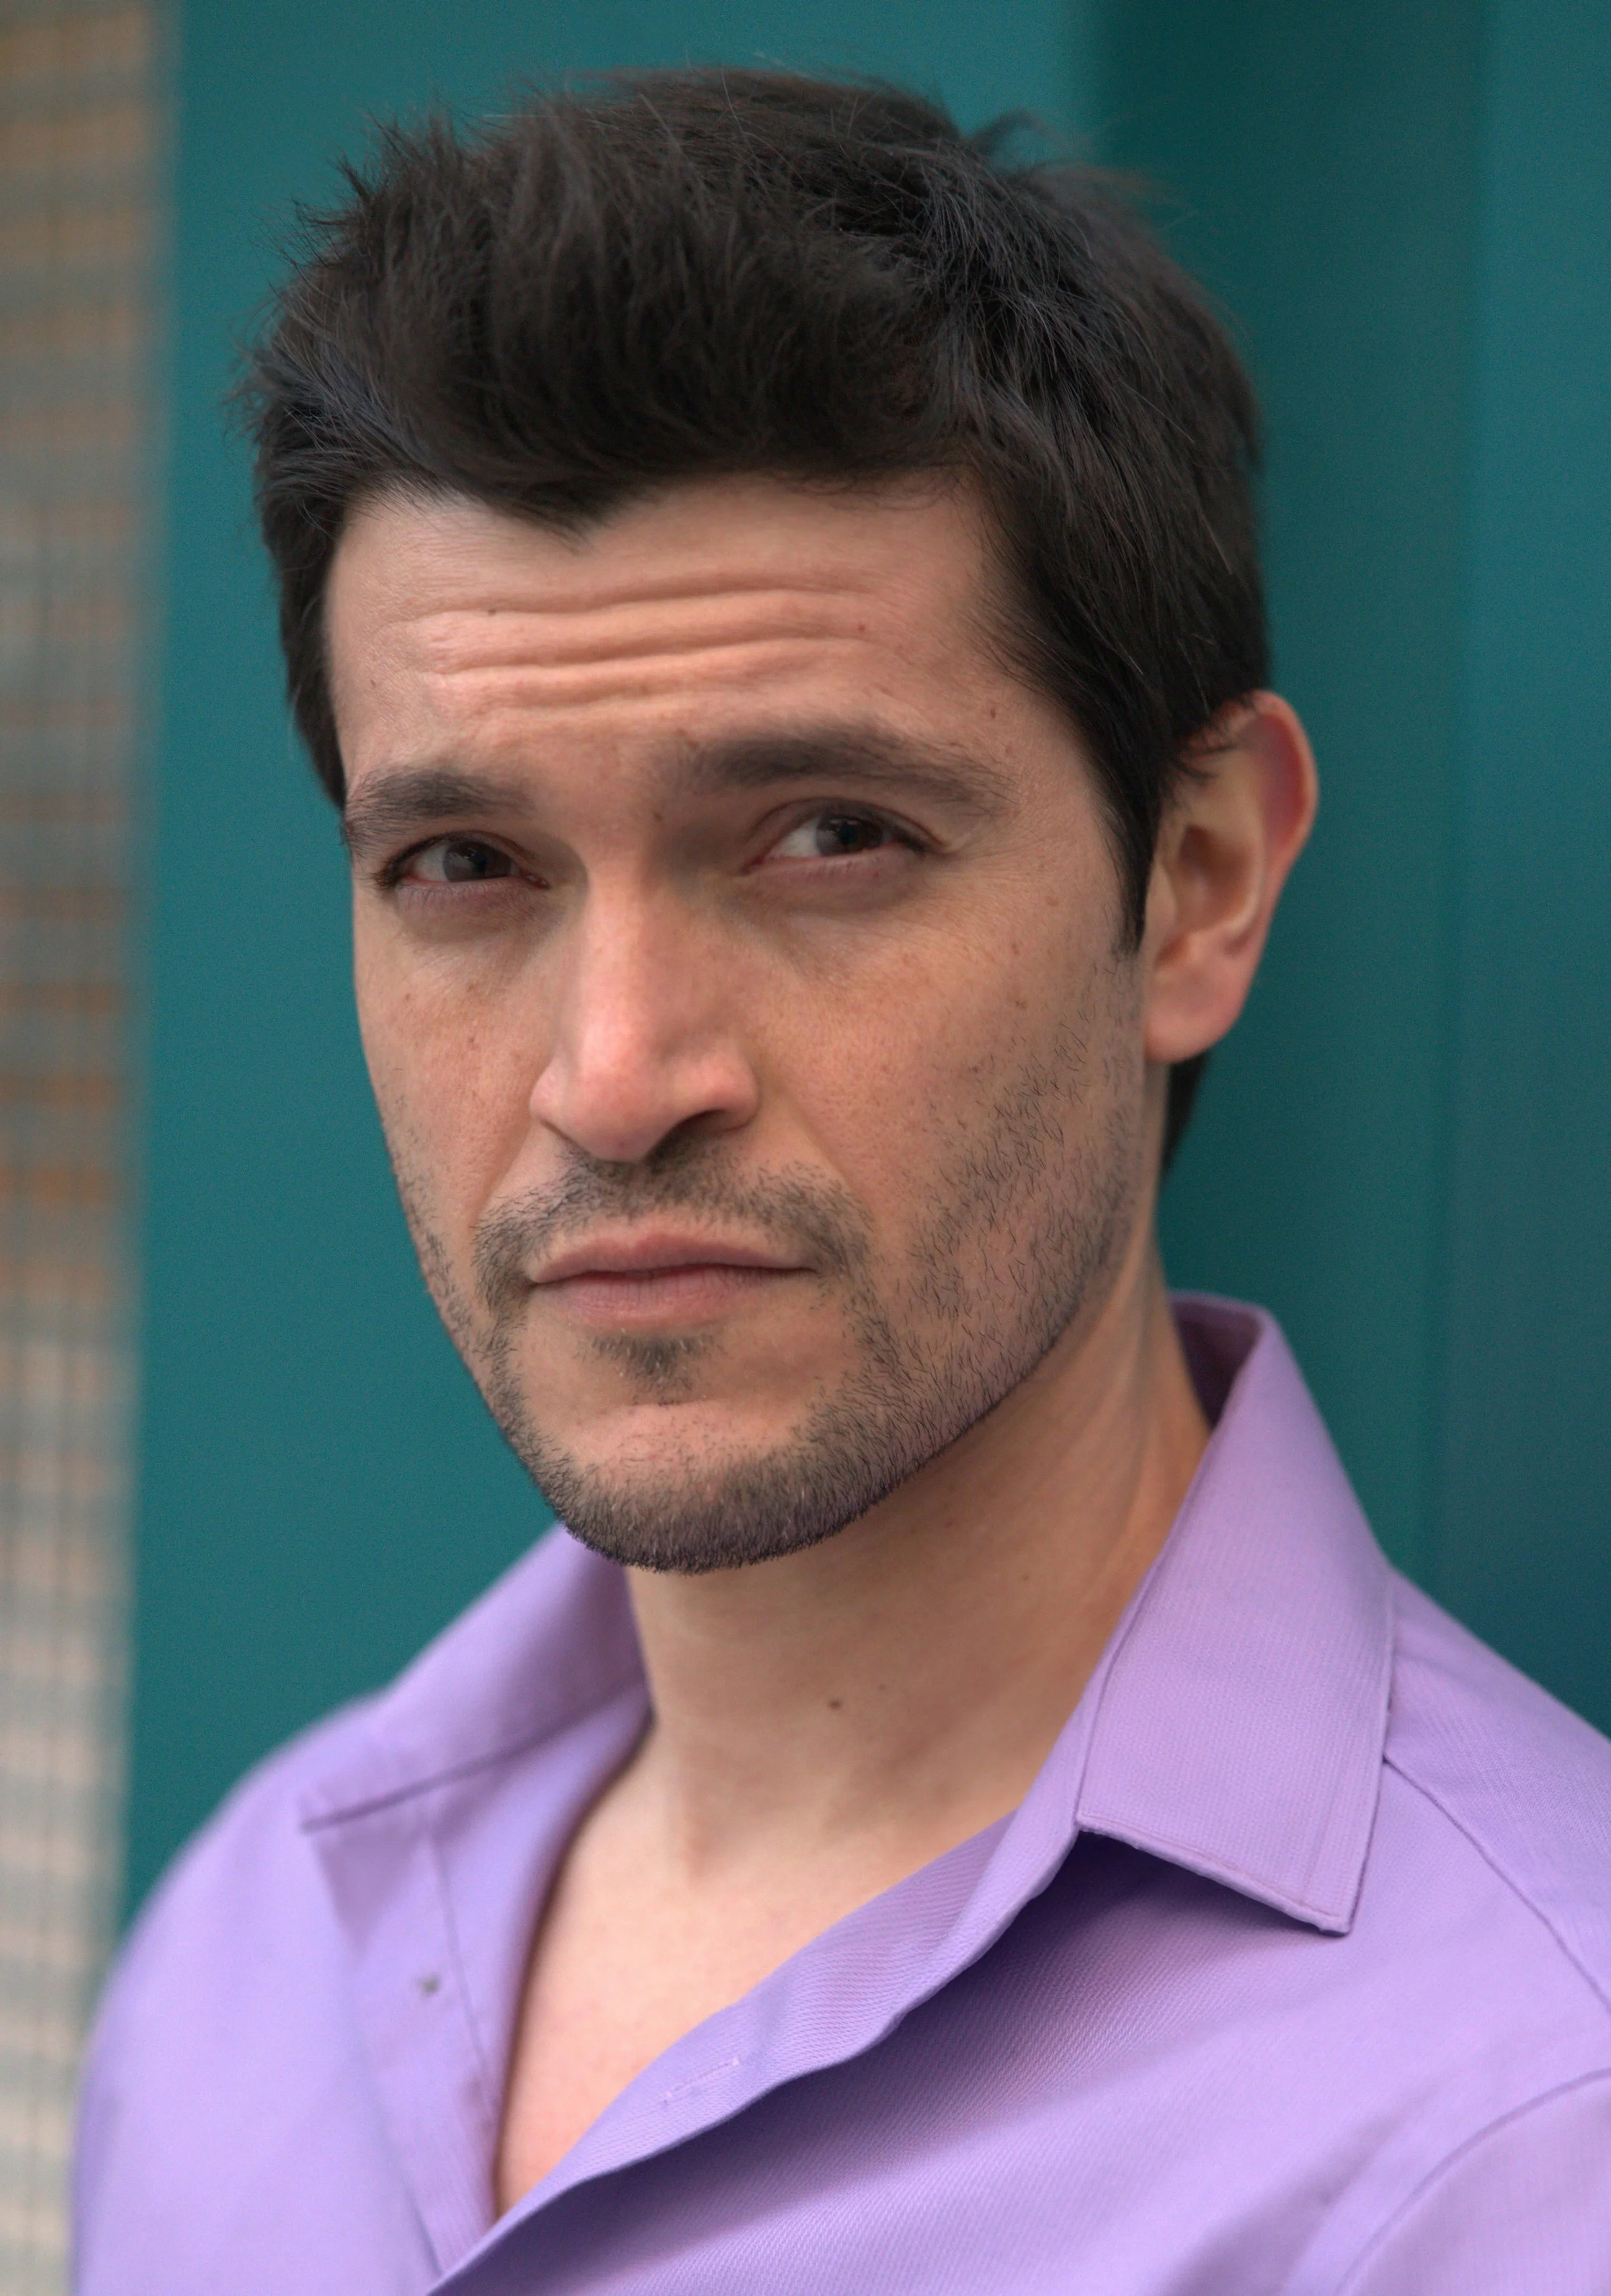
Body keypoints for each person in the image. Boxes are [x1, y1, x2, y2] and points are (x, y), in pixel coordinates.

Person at [75, 70, 1611, 2296]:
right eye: (466, 864)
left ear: (1194, 881)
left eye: (826, 838)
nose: (614, 1080)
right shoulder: (245, 1962)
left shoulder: (1528, 2131)